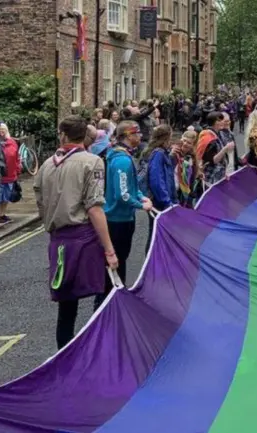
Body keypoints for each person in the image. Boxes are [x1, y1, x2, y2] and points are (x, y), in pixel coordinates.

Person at [33, 115, 117, 350]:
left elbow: (40, 200)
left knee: (66, 307)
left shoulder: (48, 164)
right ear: (85, 136)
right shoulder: (92, 162)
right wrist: (109, 249)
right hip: (84, 238)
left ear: (62, 134)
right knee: (105, 292)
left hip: (58, 239)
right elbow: (94, 207)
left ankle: (64, 356)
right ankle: (101, 348)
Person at [96, 121, 152, 310]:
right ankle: (108, 306)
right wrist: (139, 204)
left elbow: (131, 188)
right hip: (118, 221)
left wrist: (142, 197)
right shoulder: (122, 160)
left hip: (120, 219)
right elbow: (123, 194)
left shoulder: (121, 156)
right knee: (116, 265)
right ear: (128, 135)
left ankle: (115, 302)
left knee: (119, 263)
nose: (141, 136)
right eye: (137, 133)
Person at [142, 124, 176, 254]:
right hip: (159, 202)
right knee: (155, 233)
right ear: (166, 138)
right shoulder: (159, 154)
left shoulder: (158, 152)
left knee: (156, 232)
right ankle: (151, 263)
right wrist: (167, 201)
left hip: (159, 200)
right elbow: (157, 180)